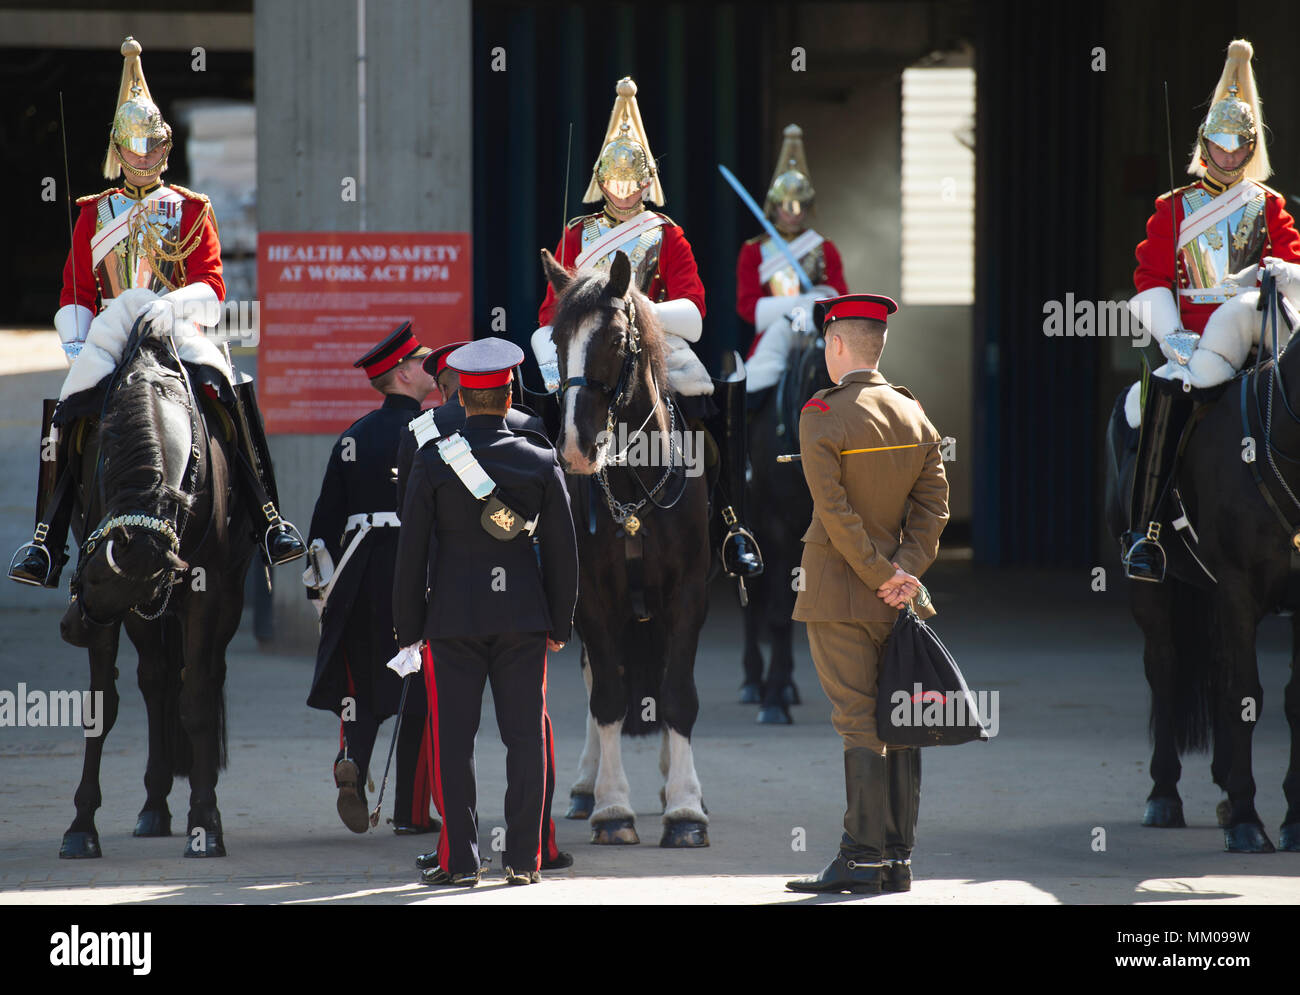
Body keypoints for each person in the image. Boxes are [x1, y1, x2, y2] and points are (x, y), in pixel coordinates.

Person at [9, 36, 303, 588]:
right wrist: (76, 338)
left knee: (231, 387)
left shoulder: (191, 209)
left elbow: (211, 281)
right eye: (134, 149)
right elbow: (75, 286)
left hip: (174, 327)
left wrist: (175, 309)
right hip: (110, 333)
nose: (144, 159)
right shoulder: (94, 213)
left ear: (165, 150)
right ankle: (45, 540)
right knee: (67, 408)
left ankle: (269, 519)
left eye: (153, 149)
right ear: (118, 151)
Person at [530, 76, 764, 583]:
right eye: (612, 182)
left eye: (630, 181)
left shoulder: (666, 234)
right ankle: (536, 520)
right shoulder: (576, 233)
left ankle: (730, 522)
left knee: (710, 400)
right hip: (591, 343)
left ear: (646, 181)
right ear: (599, 180)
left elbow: (695, 307)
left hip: (651, 336)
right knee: (546, 399)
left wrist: (638, 315)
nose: (621, 191)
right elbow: (552, 308)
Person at [393, 338, 579, 887]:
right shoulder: (541, 461)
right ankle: (524, 860)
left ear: (464, 398)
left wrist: (410, 630)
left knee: (454, 742)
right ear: (508, 395)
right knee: (525, 739)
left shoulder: (432, 461)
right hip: (523, 619)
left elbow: (411, 557)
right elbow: (565, 555)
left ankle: (460, 862)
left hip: (451, 620)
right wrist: (559, 624)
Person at [786, 294, 949, 895]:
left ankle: (859, 857)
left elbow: (834, 512)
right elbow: (934, 507)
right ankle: (897, 858)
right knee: (898, 721)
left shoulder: (822, 414)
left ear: (836, 345)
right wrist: (904, 571)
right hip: (900, 599)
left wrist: (879, 573)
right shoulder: (913, 413)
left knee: (859, 723)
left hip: (840, 595)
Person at [1123, 38, 1300, 582]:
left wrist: (1279, 272)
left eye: (1237, 147)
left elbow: (1294, 265)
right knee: (1162, 400)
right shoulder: (1173, 208)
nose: (1227, 157)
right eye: (1218, 147)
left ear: (1250, 149)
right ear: (1205, 144)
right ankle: (1145, 534)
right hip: (1194, 345)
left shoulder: (1269, 207)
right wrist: (1173, 339)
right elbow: (1150, 279)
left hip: (1261, 338)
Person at [304, 322, 442, 836]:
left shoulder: (352, 438)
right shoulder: (434, 432)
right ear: (405, 373)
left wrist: (325, 595)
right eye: (423, 360)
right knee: (420, 694)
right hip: (416, 572)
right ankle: (409, 812)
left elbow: (322, 527)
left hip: (359, 576)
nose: (431, 366)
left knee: (360, 684)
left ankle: (352, 763)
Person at [736, 124, 848, 396]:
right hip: (775, 332)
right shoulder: (753, 250)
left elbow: (841, 298)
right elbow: (748, 306)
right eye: (788, 205)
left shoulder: (824, 249)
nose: (794, 213)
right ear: (775, 205)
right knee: (751, 386)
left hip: (816, 331)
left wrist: (816, 308)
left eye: (800, 206)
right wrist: (797, 304)